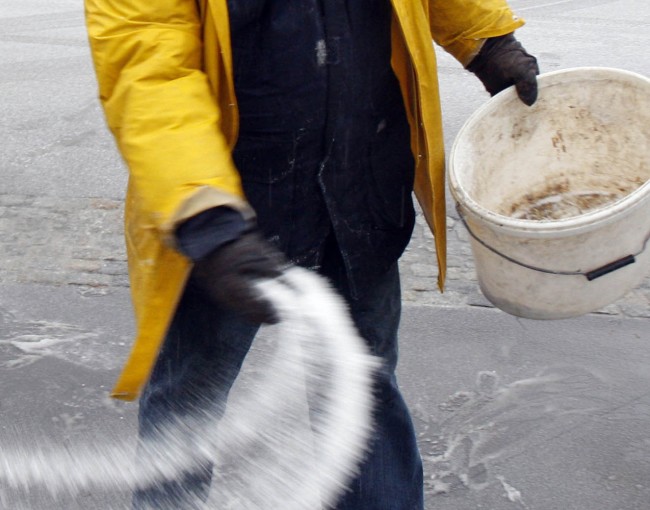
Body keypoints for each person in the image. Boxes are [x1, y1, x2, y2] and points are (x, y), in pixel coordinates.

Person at [84, 1, 539, 508]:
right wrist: (203, 211)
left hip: (361, 181)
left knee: (360, 387)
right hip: (229, 207)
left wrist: (488, 40)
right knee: (188, 403)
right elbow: (146, 61)